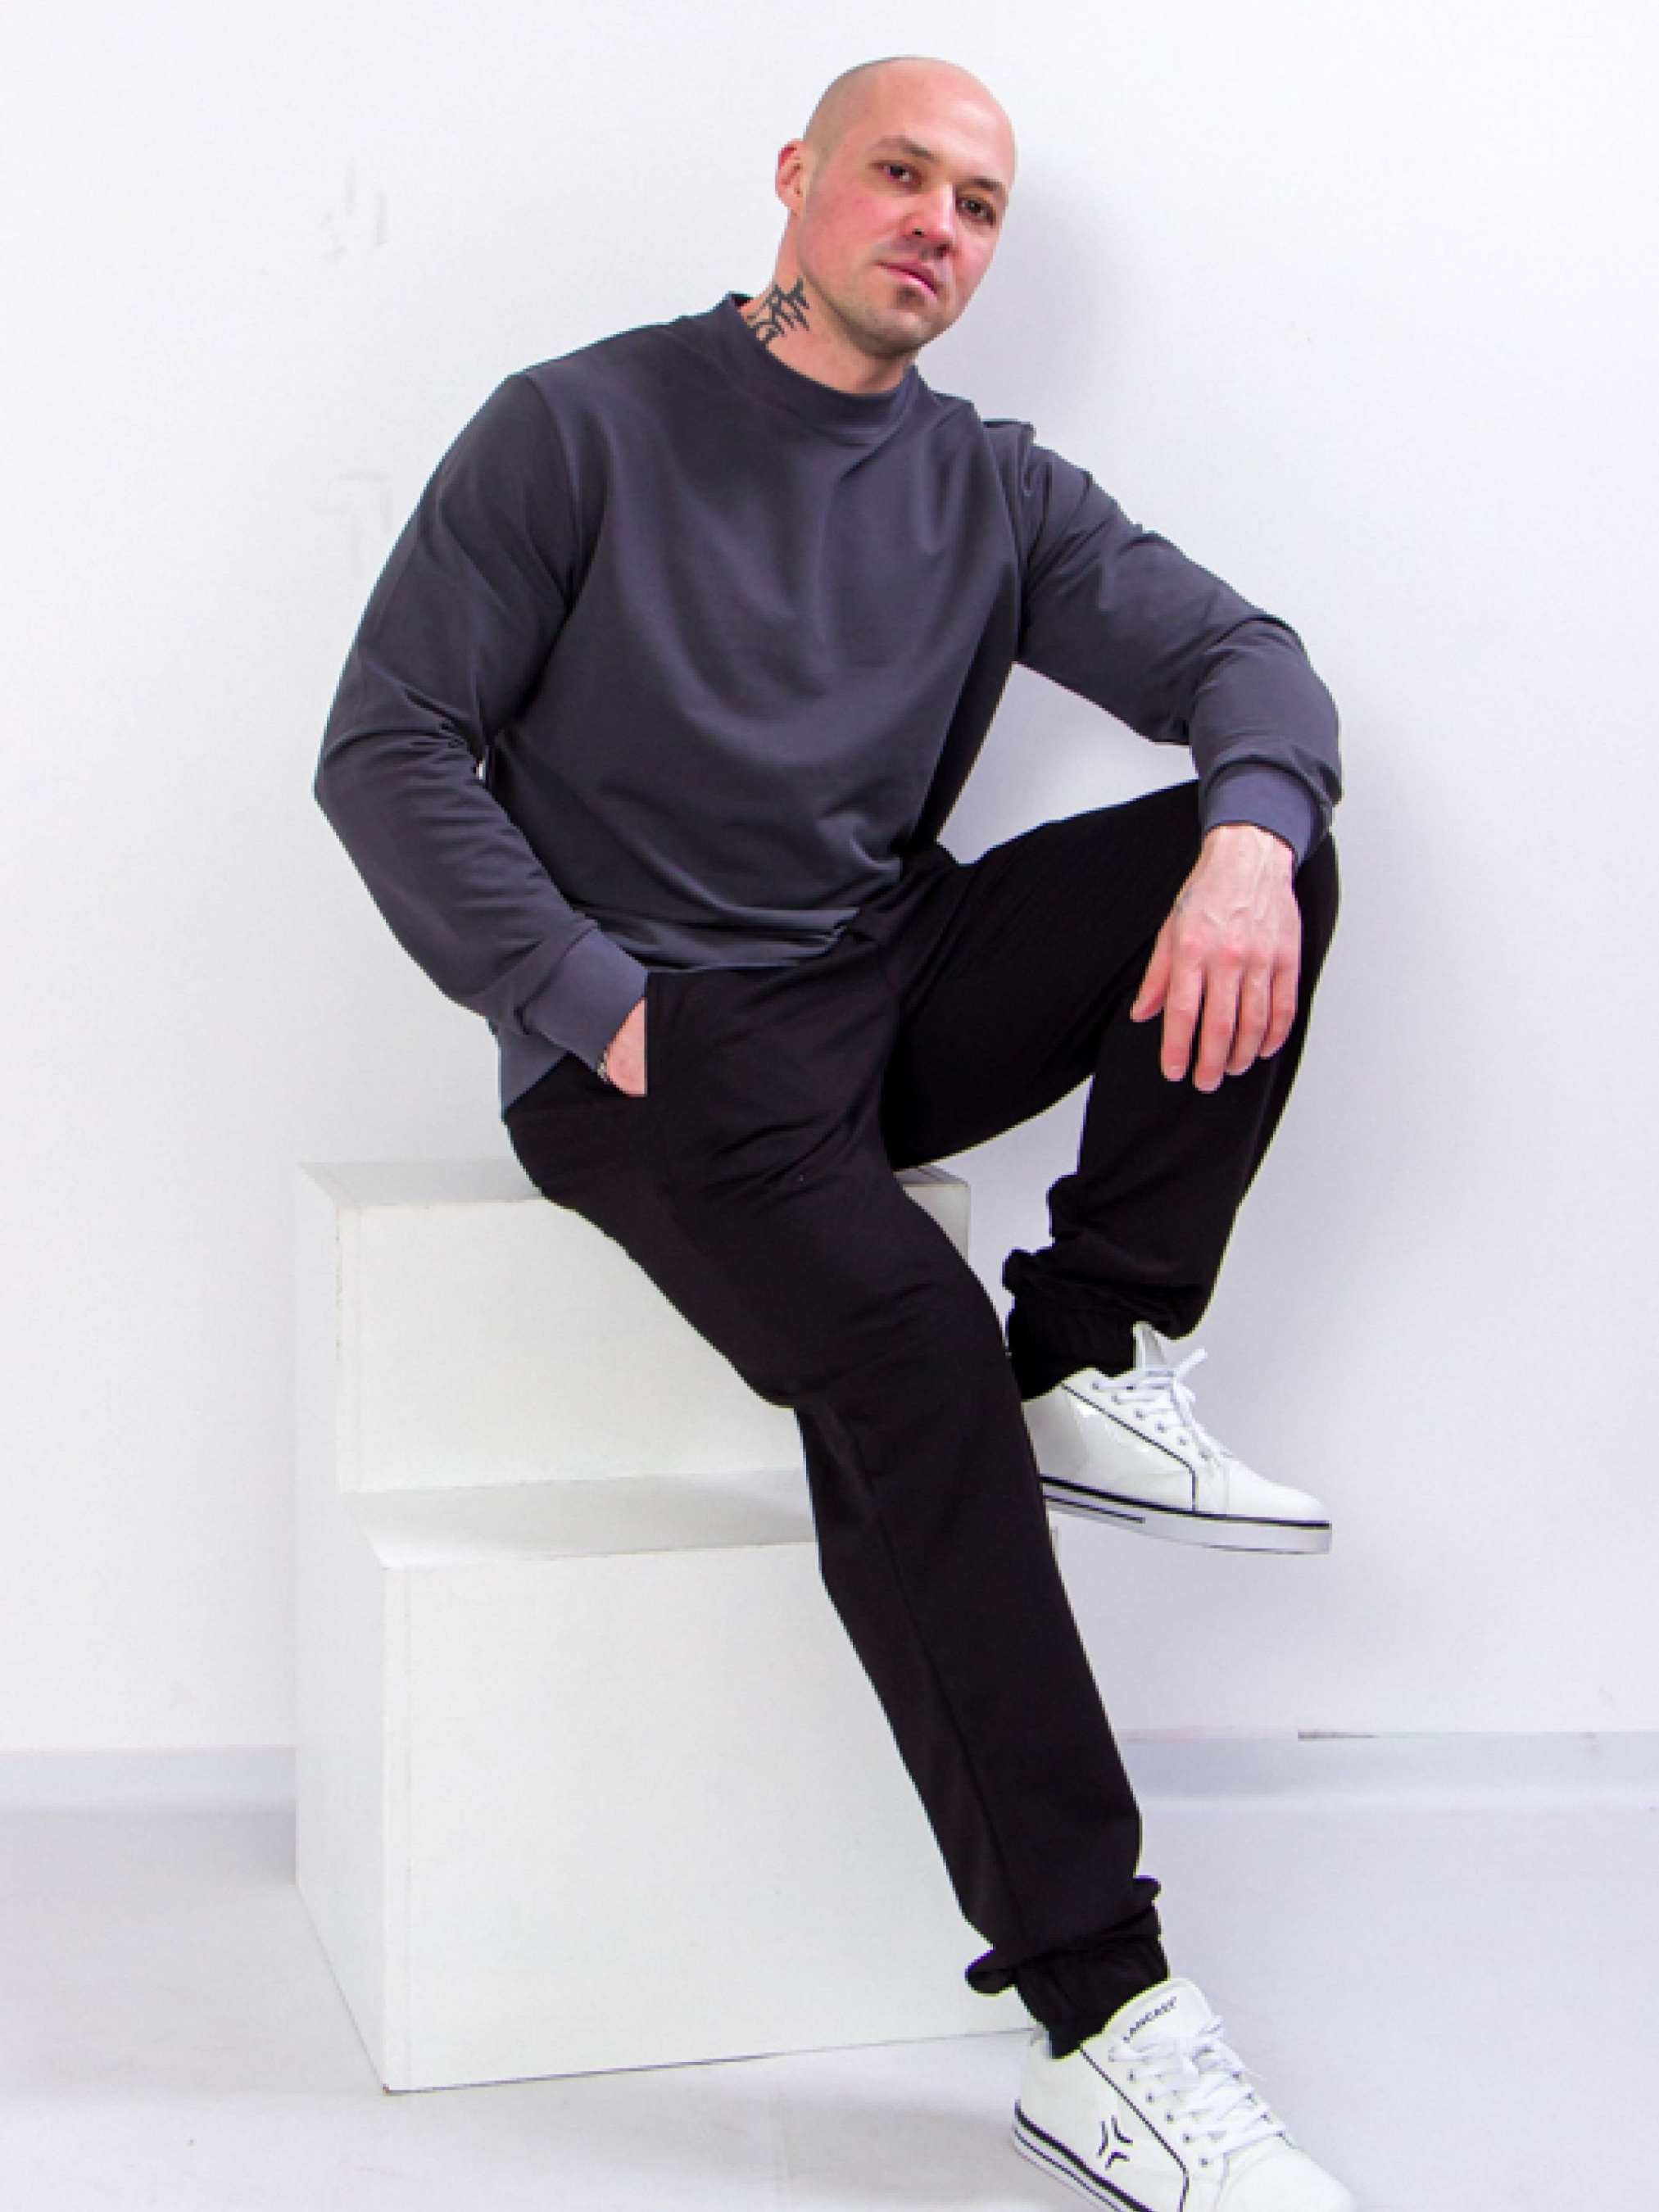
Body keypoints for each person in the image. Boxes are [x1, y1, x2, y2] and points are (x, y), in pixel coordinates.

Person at [315, 54, 1352, 2212]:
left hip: (880, 978)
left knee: (1258, 846)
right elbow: (389, 743)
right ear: (798, 180)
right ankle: (1104, 2019)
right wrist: (597, 1008)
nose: (935, 227)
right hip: (656, 1042)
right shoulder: (577, 426)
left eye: (976, 205)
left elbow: (1243, 659)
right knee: (903, 1357)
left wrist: (1251, 840)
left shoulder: (990, 487)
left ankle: (1090, 1344)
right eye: (899, 175)